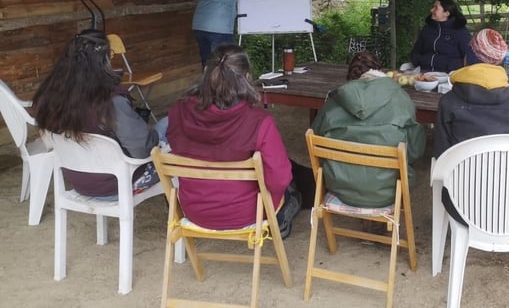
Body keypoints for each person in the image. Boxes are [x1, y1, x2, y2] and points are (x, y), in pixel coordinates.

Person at [166, 44, 300, 236]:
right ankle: (282, 218)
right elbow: (279, 180)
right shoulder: (259, 121)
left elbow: (175, 145)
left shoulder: (178, 111)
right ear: (247, 77)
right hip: (248, 213)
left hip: (193, 210)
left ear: (206, 73)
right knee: (290, 186)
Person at [33, 29, 161, 197]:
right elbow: (142, 150)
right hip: (119, 182)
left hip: (79, 181)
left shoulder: (48, 96)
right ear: (105, 60)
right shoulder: (111, 101)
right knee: (167, 127)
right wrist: (157, 138)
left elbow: (49, 143)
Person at [310, 51, 425, 208]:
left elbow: (316, 139)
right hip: (389, 190)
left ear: (351, 77)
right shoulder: (401, 98)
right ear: (379, 71)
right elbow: (415, 151)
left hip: (340, 187)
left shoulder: (333, 102)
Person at [433, 28, 509, 159]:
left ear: (467, 59)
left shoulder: (448, 103)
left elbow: (441, 154)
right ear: (498, 62)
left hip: (461, 172)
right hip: (507, 172)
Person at [410, 0, 477, 72]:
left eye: (436, 8)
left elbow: (470, 58)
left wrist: (449, 65)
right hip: (424, 73)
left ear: (446, 13)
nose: (431, 10)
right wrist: (420, 61)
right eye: (433, 7)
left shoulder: (461, 32)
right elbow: (415, 52)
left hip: (450, 75)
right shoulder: (427, 29)